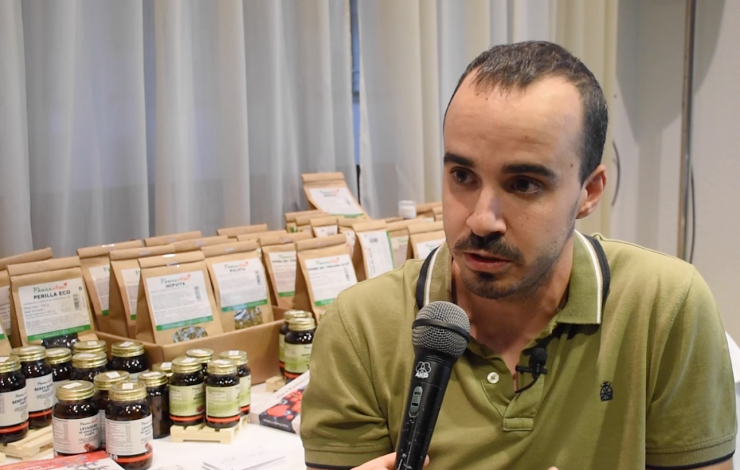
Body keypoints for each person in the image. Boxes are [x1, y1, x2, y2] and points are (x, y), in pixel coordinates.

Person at [299, 41, 737, 470]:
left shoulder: (664, 309)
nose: (481, 220)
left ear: (589, 192)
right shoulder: (361, 329)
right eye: (462, 175)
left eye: (524, 184)